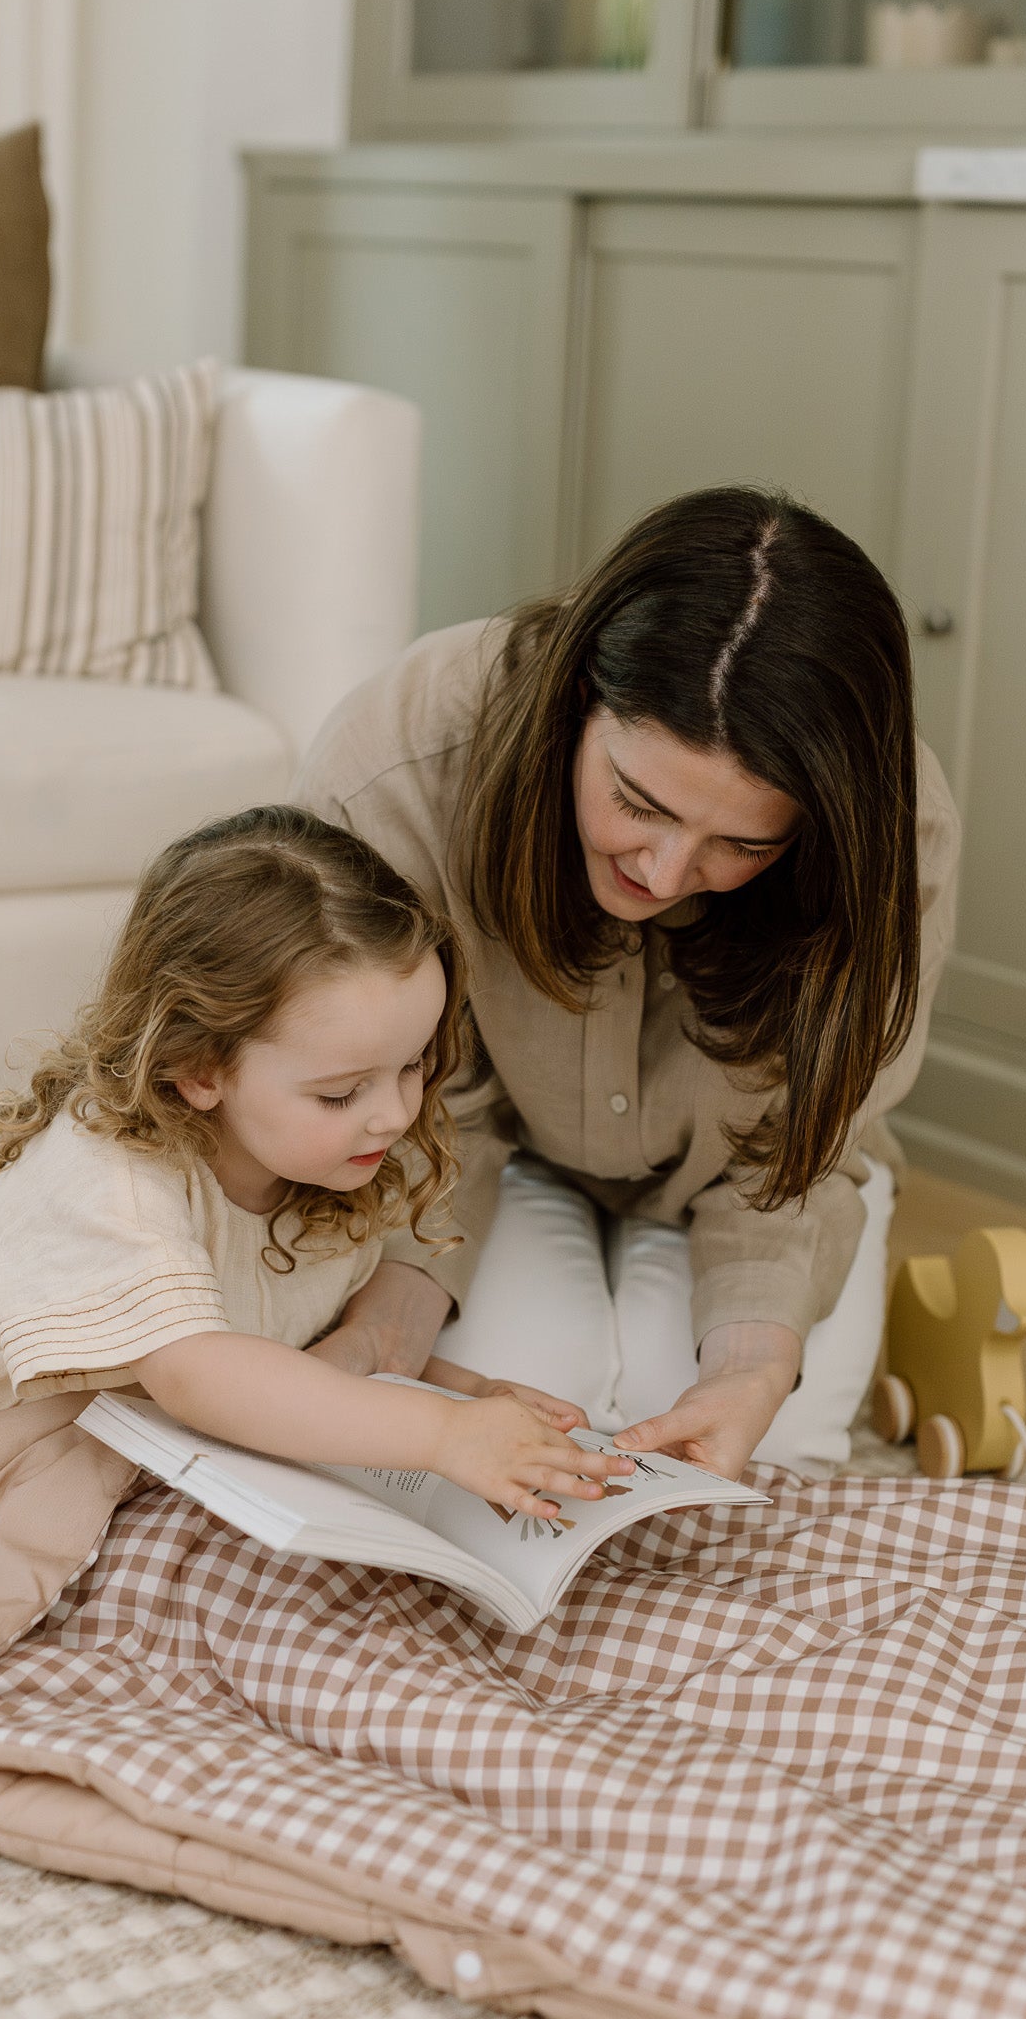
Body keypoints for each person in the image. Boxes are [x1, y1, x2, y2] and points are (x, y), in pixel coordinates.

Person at [293, 489, 962, 1483]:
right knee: (462, 1429)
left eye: (740, 844)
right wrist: (386, 1322)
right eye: (635, 803)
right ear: (575, 704)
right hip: (464, 1151)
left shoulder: (889, 839)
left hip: (749, 1173)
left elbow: (800, 1144)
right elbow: (396, 1099)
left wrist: (752, 1361)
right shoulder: (399, 761)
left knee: (758, 1447)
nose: (660, 872)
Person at [0, 807, 631, 1522]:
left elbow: (288, 1345)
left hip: (168, 1464)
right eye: (343, 1092)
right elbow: (202, 1375)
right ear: (200, 1067)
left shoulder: (323, 1160)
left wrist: (471, 1398)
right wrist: (443, 1433)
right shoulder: (110, 1179)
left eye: (414, 1065)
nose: (396, 1112)